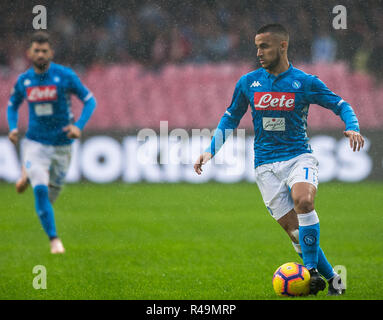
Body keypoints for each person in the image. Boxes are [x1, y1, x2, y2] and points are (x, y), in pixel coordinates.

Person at [194, 24, 364, 296]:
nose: (259, 52)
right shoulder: (248, 82)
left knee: (304, 201)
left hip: (298, 157)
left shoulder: (305, 82)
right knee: (296, 234)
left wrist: (352, 126)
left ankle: (310, 271)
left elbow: (341, 104)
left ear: (282, 46)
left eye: (265, 46)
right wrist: (210, 150)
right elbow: (231, 117)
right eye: (257, 47)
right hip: (265, 166)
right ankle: (334, 280)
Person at [6, 31, 97, 254]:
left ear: (51, 53)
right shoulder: (24, 80)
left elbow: (90, 101)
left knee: (51, 195)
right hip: (35, 142)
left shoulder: (65, 76)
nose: (40, 54)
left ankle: (26, 173)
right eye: (36, 50)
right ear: (29, 53)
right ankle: (54, 241)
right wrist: (13, 128)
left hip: (62, 145)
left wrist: (79, 126)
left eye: (44, 51)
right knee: (40, 192)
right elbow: (12, 105)